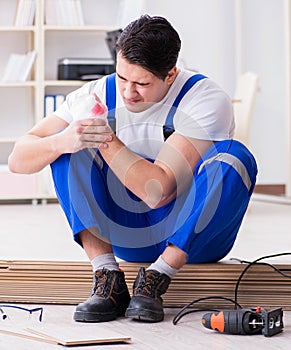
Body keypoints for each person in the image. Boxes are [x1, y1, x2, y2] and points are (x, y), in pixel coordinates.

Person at [8, 15, 257, 323]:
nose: (128, 93)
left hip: (193, 236)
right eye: (122, 77)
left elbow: (158, 191)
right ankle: (107, 276)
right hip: (127, 231)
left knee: (235, 156)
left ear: (170, 75)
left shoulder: (203, 99)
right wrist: (62, 141)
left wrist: (105, 139)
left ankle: (156, 278)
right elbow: (18, 159)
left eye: (141, 83)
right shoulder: (96, 92)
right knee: (67, 149)